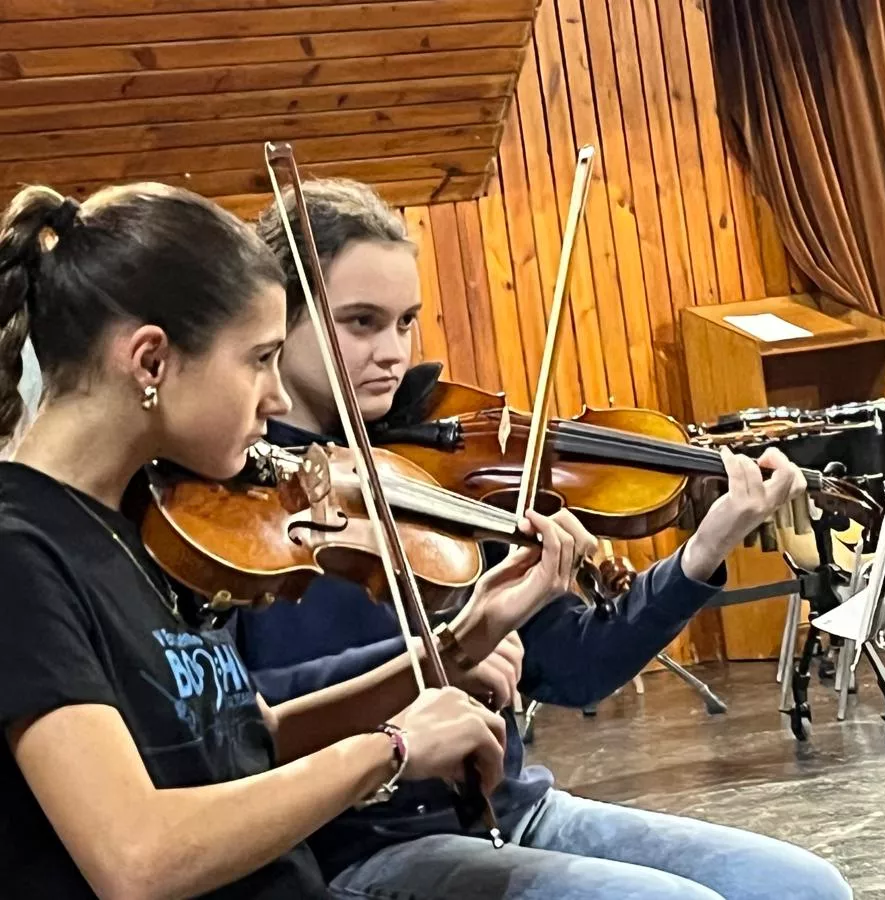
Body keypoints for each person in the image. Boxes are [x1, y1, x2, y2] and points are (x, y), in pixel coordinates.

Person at [229, 178, 853, 900]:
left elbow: (578, 668)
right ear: (280, 318)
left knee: (805, 887)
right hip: (362, 845)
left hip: (511, 811)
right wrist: (443, 655)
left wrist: (703, 552)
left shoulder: (431, 473)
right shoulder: (229, 505)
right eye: (362, 323)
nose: (393, 353)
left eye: (406, 323)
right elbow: (238, 719)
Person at [0, 182, 588, 898]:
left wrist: (457, 644)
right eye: (259, 359)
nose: (276, 397)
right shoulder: (20, 551)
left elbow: (250, 738)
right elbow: (139, 859)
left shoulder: (147, 522)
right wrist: (392, 750)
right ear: (150, 362)